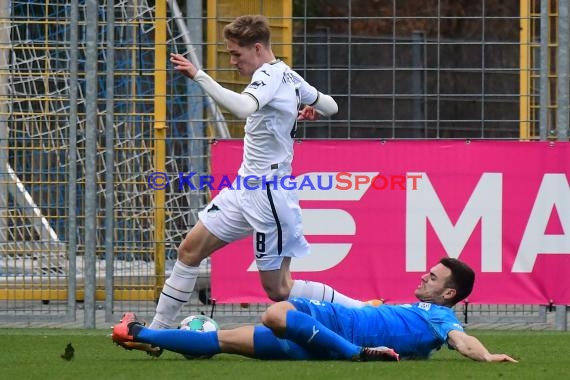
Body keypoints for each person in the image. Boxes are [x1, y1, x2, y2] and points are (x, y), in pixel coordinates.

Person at [117, 15, 370, 356]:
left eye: (237, 54)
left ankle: (363, 311)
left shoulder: (267, 75)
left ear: (257, 47)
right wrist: (305, 106)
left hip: (269, 193)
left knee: (279, 290)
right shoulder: (288, 75)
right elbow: (331, 106)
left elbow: (241, 108)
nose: (233, 61)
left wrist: (198, 74)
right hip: (243, 188)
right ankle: (156, 335)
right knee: (189, 251)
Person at [112, 258, 518, 362]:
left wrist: (485, 355)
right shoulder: (419, 318)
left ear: (448, 295)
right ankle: (139, 334)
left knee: (274, 312)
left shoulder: (440, 317)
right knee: (223, 340)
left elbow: (460, 339)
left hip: (333, 326)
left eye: (433, 278)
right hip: (316, 341)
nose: (423, 277)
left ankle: (353, 355)